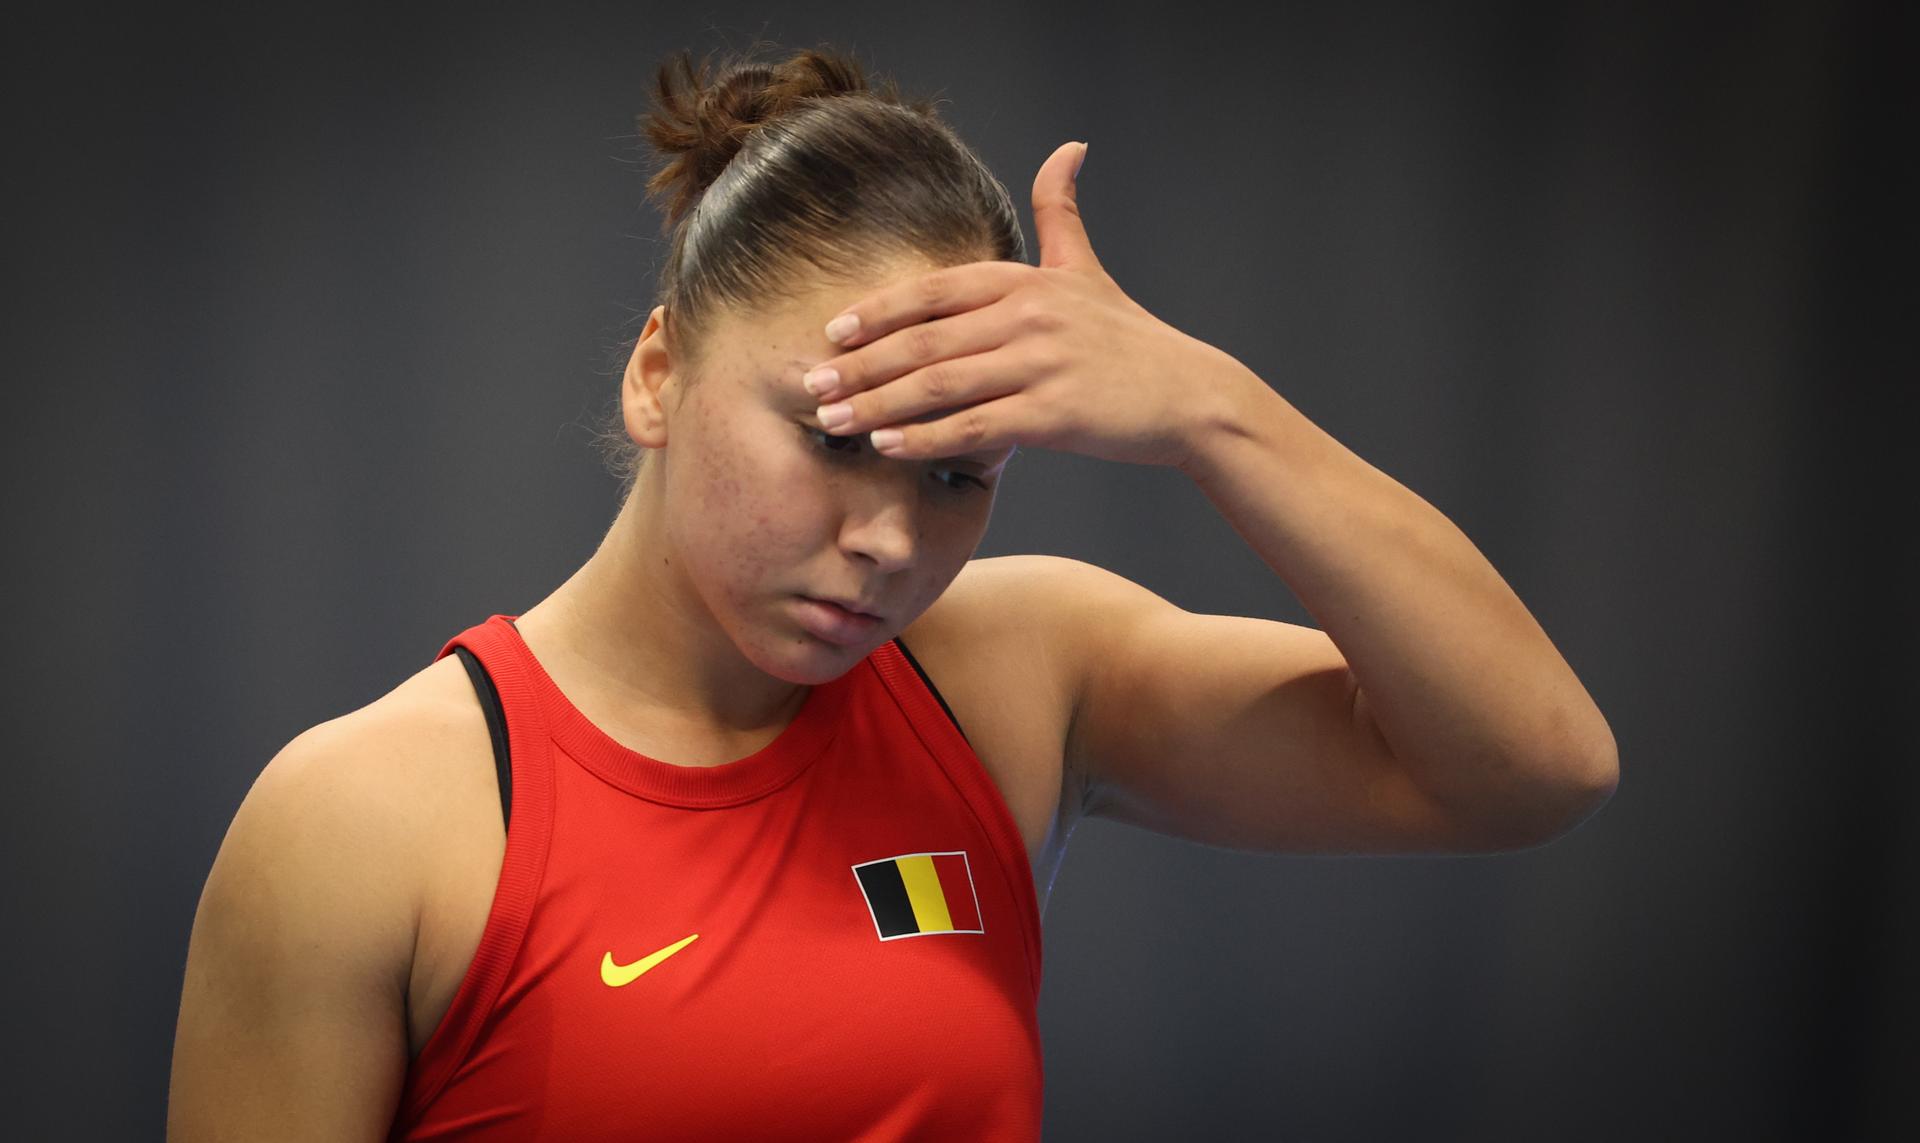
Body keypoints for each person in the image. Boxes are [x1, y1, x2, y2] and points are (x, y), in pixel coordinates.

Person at [166, 41, 1619, 1142]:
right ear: (659, 370)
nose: (885, 540)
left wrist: (1215, 413)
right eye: (835, 438)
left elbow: (1535, 767)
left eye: (955, 474)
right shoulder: (369, 818)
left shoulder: (1010, 672)